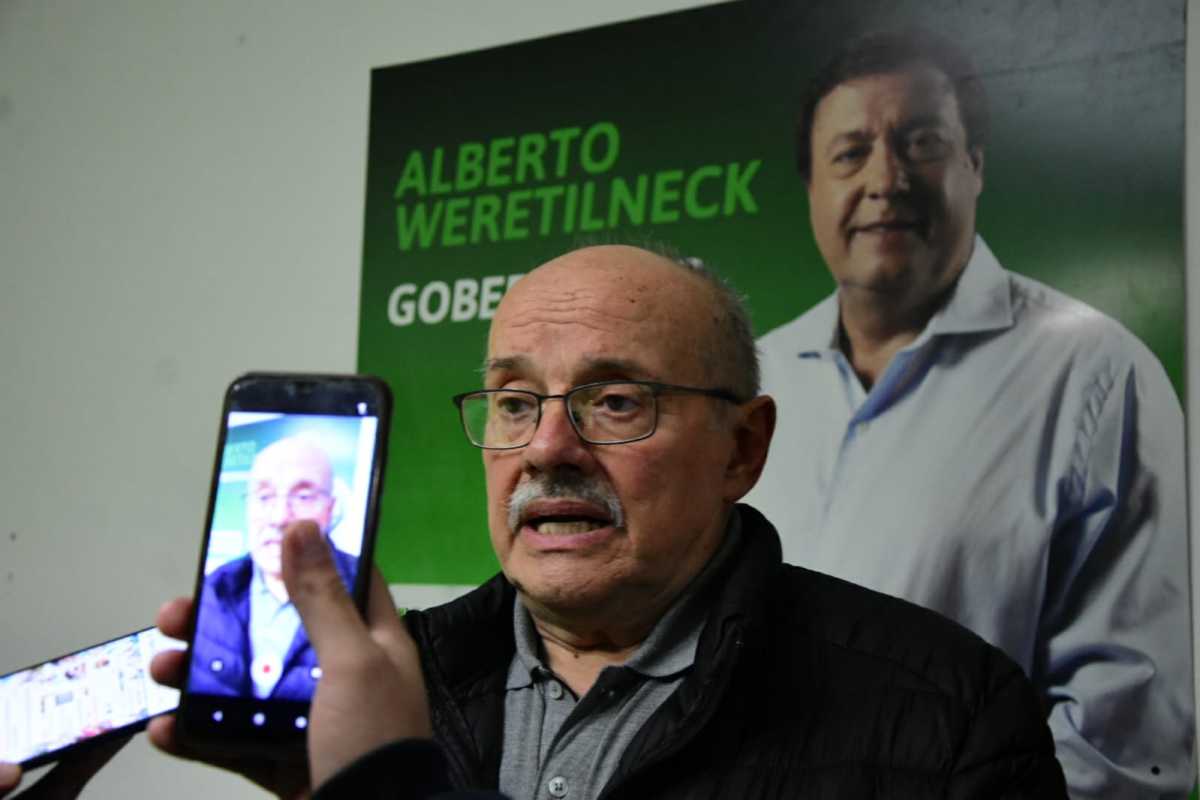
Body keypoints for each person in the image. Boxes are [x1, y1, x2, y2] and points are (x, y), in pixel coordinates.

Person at [148, 244, 1065, 798]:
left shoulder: (956, 712)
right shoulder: (386, 687)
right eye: (512, 403)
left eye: (616, 401)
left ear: (742, 449)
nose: (547, 448)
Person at [744, 30, 1194, 797]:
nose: (885, 179)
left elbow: (1126, 740)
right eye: (849, 153)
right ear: (812, 189)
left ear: (975, 167)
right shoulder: (754, 380)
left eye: (921, 142)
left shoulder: (1097, 377)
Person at [189, 434, 358, 701]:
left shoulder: (362, 591)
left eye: (303, 496)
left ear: (331, 508)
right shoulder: (215, 589)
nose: (279, 517)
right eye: (264, 496)